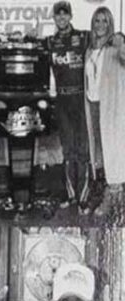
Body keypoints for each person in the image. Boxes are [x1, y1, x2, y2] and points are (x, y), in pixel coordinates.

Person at [45, 1, 92, 209]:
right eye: (58, 14)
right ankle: (71, 194)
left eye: (65, 14)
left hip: (81, 99)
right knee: (68, 149)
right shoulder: (49, 42)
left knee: (83, 149)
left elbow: (105, 41)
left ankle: (83, 197)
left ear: (71, 16)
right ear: (54, 18)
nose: (62, 18)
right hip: (62, 100)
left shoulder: (84, 37)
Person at [83, 7, 125, 211]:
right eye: (97, 21)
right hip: (92, 105)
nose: (100, 25)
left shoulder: (115, 47)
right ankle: (101, 191)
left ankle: (114, 197)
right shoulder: (89, 50)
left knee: (113, 150)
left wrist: (122, 44)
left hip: (111, 108)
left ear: (110, 24)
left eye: (104, 21)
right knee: (98, 152)